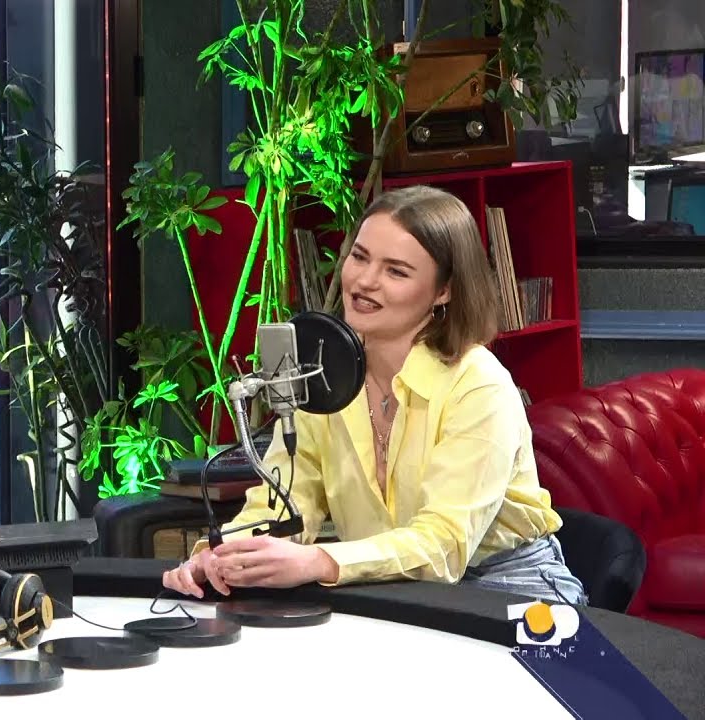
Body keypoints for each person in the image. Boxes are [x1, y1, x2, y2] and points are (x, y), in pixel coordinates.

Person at [163, 185, 587, 605]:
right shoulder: (320, 372)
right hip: (384, 582)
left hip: (508, 583)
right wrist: (221, 557)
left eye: (396, 271)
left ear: (444, 290)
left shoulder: (479, 384)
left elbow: (444, 544)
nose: (364, 281)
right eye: (360, 257)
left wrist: (321, 561)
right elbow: (283, 502)